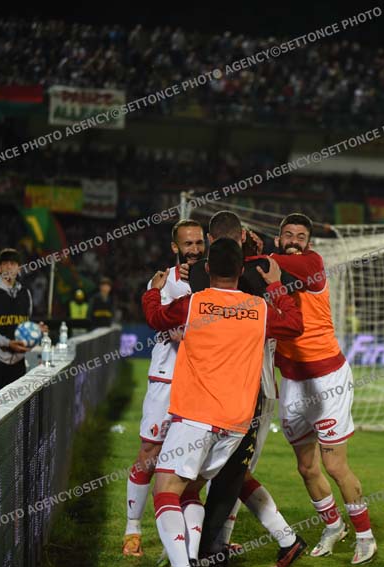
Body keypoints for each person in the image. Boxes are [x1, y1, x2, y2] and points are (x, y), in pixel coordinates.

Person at [142, 238, 303, 567]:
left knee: (165, 491)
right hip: (236, 424)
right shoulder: (259, 310)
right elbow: (294, 324)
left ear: (208, 268)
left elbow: (156, 318)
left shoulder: (194, 304)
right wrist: (276, 286)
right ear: (241, 270)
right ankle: (191, 556)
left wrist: (153, 291)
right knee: (190, 490)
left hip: (195, 415)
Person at [188, 211, 306, 567]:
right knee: (230, 471)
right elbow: (294, 313)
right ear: (242, 240)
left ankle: (212, 548)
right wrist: (268, 267)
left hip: (222, 391)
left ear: (210, 244)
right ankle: (274, 539)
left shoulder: (196, 277)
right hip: (251, 391)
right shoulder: (262, 275)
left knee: (225, 471)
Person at [270, 213, 377, 565]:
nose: (294, 241)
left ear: (309, 243)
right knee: (306, 467)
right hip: (293, 382)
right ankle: (333, 527)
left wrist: (251, 255)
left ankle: (365, 536)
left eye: (300, 236)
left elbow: (267, 265)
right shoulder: (269, 275)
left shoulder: (311, 264)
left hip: (327, 379)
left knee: (334, 465)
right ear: (279, 238)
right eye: (288, 235)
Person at [123, 219, 204, 558]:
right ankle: (132, 529)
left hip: (200, 383)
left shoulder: (214, 280)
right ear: (175, 247)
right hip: (166, 380)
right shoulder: (162, 282)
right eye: (188, 244)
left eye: (199, 242)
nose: (195, 249)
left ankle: (186, 548)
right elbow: (163, 322)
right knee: (149, 455)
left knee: (191, 469)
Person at [0, 248, 47, 399]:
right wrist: (7, 343)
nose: (9, 267)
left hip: (18, 360)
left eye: (13, 264)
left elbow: (24, 324)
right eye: (5, 264)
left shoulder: (25, 293)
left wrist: (36, 330)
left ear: (19, 269)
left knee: (16, 407)